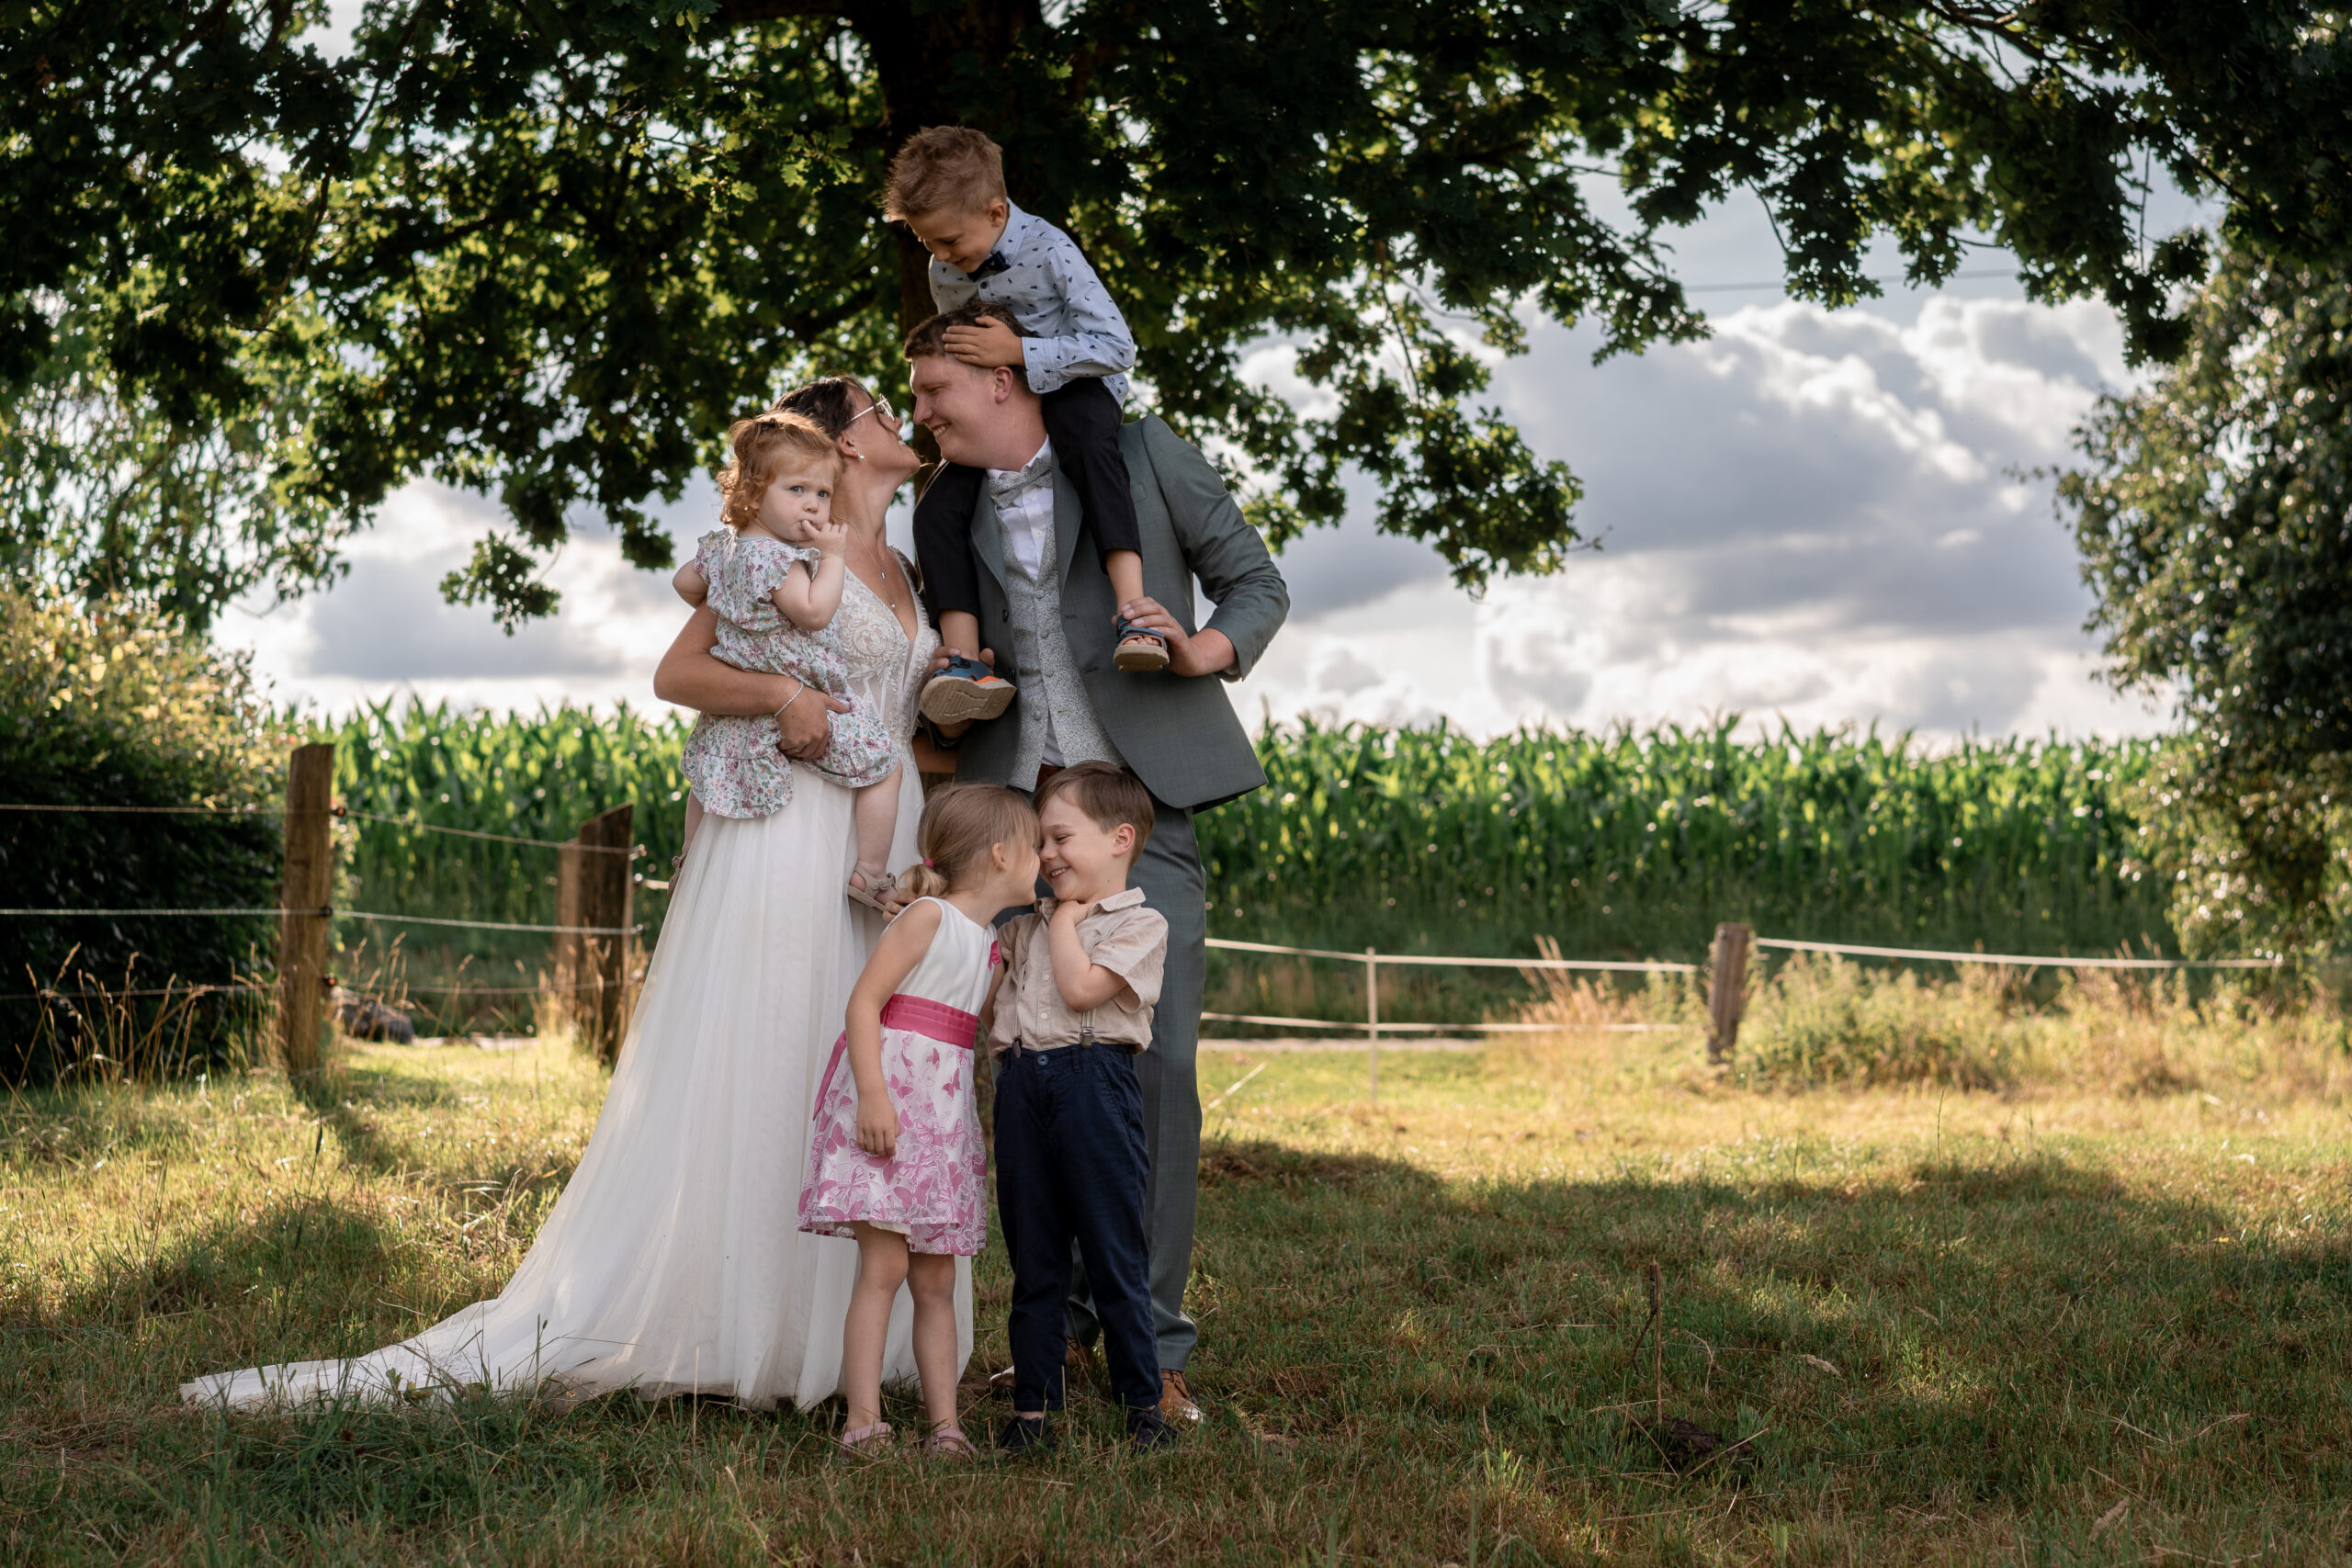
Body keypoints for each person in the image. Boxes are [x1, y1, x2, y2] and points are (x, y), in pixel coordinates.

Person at [179, 375, 956, 1412]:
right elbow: (679, 676)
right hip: (785, 830)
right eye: (880, 411)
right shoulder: (768, 560)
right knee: (773, 1050)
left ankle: (861, 1331)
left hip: (879, 825)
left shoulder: (903, 564)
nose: (900, 425)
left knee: (866, 1059)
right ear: (840, 445)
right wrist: (784, 693)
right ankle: (745, 1324)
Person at [903, 304, 1291, 1426]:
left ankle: (1150, 1344)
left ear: (1002, 380)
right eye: (917, 399)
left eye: (936, 391)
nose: (924, 413)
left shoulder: (1139, 450)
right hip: (1005, 832)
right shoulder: (945, 501)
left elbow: (1255, 584)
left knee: (1151, 1070)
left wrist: (1201, 651)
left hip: (1138, 815)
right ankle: (1050, 1336)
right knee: (1024, 1078)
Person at [884, 126, 1168, 728]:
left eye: (951, 240)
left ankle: (1135, 613)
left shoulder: (1050, 249)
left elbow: (1116, 346)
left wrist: (1020, 349)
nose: (941, 256)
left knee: (1089, 444)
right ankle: (964, 659)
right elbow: (959, 351)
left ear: (995, 211)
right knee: (937, 506)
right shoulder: (943, 270)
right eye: (928, 243)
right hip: (1008, 399)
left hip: (1077, 384)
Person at [799, 784, 1038, 1458]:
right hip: (895, 1112)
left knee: (936, 1278)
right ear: (999, 854)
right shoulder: (928, 917)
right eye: (1034, 846)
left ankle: (946, 1426)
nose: (1042, 857)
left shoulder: (990, 944)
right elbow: (865, 1003)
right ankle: (863, 1421)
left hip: (944, 1124)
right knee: (883, 1267)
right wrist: (872, 1095)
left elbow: (977, 1032)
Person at [989, 763, 1175, 1454]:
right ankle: (1032, 1408)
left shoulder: (1141, 923)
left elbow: (1079, 989)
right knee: (1033, 1253)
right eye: (1040, 842)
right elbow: (982, 995)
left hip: (1095, 1085)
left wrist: (1064, 916)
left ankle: (1143, 1407)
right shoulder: (1022, 927)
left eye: (1061, 838)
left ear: (1120, 838)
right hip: (1023, 1088)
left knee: (1111, 1251)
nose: (1046, 855)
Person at [673, 411, 904, 909]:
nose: (815, 507)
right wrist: (835, 558)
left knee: (708, 774)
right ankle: (870, 873)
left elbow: (684, 584)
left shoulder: (723, 551)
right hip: (801, 695)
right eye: (798, 490)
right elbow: (815, 613)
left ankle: (690, 862)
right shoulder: (780, 560)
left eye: (823, 494)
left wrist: (735, 603)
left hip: (738, 703)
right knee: (886, 768)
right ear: (753, 494)